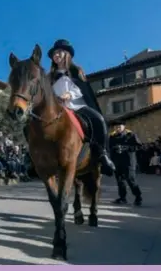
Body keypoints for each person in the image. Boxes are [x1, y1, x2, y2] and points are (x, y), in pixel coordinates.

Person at [48, 39, 116, 177]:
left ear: (67, 54)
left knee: (99, 120)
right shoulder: (49, 77)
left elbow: (83, 89)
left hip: (77, 106)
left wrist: (69, 94)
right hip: (58, 109)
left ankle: (102, 155)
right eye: (54, 53)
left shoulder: (76, 70)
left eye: (59, 52)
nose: (56, 55)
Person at [109, 120, 143, 206]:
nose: (117, 128)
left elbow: (139, 146)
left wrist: (126, 148)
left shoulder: (131, 135)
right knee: (120, 181)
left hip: (129, 162)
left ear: (124, 127)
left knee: (131, 180)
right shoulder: (112, 137)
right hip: (117, 162)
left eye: (119, 126)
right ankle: (122, 198)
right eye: (116, 127)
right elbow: (109, 148)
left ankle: (138, 197)